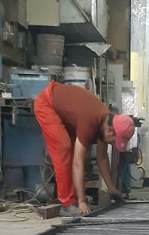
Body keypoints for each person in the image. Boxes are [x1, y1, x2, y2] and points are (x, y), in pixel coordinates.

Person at [34, 81, 135, 217]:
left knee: (71, 149)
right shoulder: (91, 120)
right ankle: (67, 204)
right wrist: (82, 201)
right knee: (64, 147)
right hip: (46, 104)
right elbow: (77, 163)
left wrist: (112, 189)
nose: (112, 144)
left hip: (61, 110)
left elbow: (102, 158)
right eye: (114, 141)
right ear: (111, 131)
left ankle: (74, 199)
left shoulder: (105, 122)